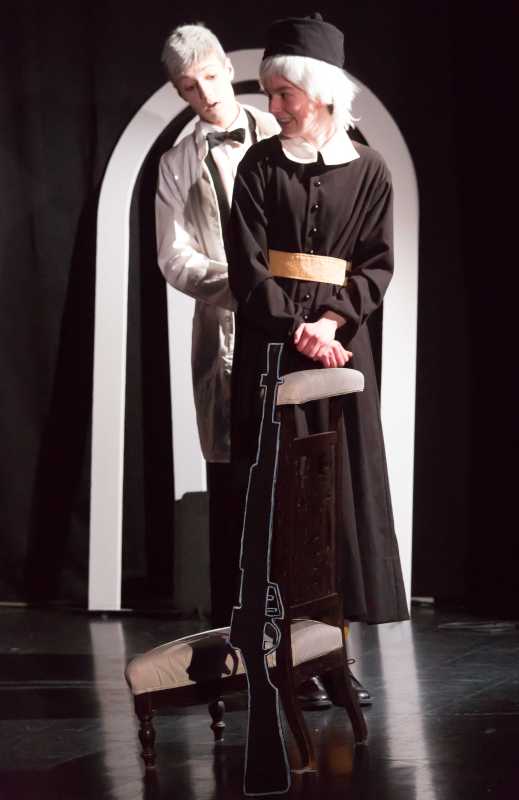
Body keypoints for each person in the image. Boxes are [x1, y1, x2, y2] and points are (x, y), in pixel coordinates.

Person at [228, 13, 410, 707]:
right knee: (280, 501)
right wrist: (296, 326)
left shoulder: (370, 169)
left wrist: (331, 321)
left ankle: (333, 658)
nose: (273, 107)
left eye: (285, 94)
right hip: (273, 350)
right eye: (270, 94)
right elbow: (246, 266)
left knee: (335, 503)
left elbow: (376, 263)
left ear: (321, 92)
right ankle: (285, 658)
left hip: (339, 349)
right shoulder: (258, 166)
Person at [155, 24, 278, 630]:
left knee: (295, 472)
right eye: (188, 86)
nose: (203, 93)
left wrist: (284, 294)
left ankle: (306, 630)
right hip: (226, 330)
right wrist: (243, 288)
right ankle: (240, 630)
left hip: (293, 321)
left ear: (228, 68)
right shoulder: (177, 163)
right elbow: (173, 256)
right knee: (234, 480)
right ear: (178, 92)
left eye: (208, 76)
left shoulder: (279, 132)